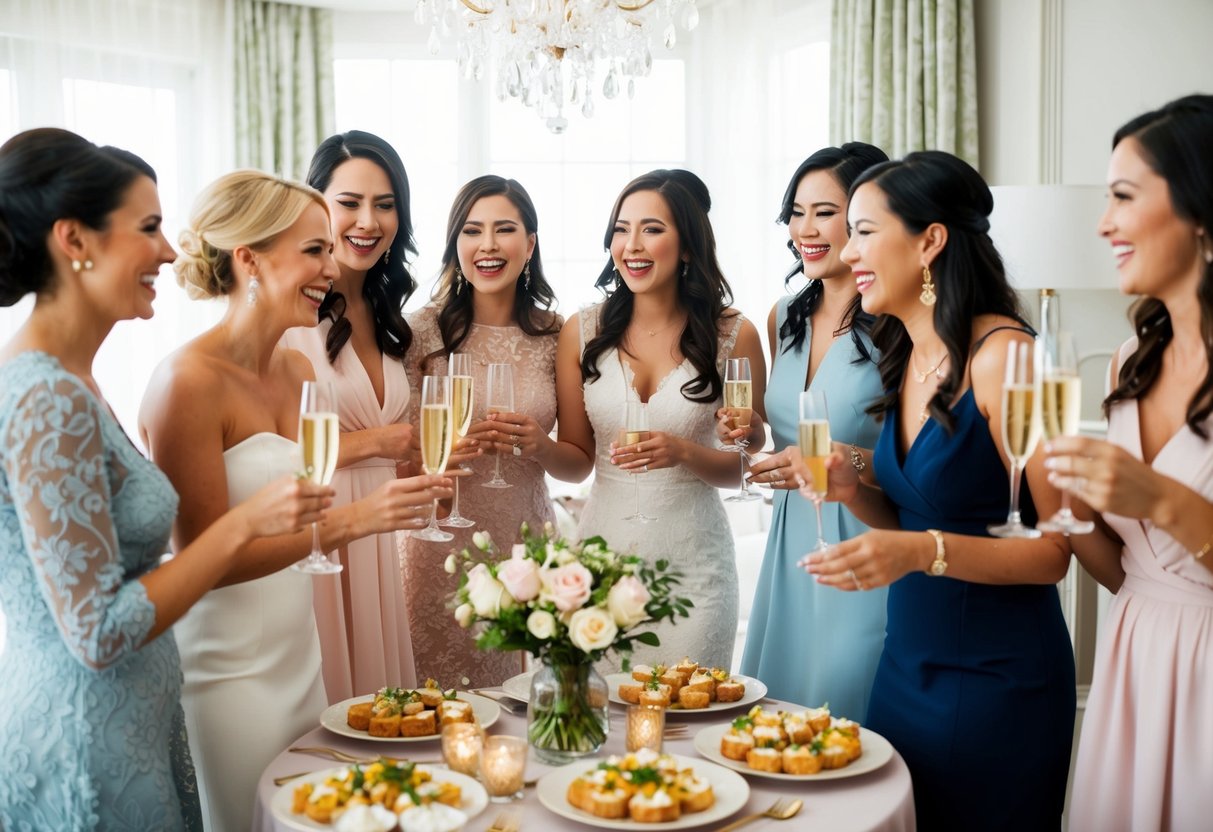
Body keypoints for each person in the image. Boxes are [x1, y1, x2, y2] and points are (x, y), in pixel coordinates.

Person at [0, 129, 331, 831]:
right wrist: (244, 521)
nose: (174, 251)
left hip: (136, 726)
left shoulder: (74, 381)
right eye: (148, 228)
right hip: (88, 744)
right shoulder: (45, 398)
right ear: (75, 241)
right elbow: (96, 631)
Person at [140, 170, 451, 832]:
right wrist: (359, 520)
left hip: (298, 654)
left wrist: (412, 475)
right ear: (248, 258)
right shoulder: (186, 383)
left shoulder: (297, 369)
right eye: (315, 250)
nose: (333, 269)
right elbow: (202, 558)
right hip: (229, 676)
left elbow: (310, 482)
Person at [796, 150, 1076, 830]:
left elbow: (1055, 552)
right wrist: (849, 489)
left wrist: (921, 552)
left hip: (999, 681)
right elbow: (908, 512)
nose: (844, 247)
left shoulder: (1013, 359)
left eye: (864, 230)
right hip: (906, 666)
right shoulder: (908, 351)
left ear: (929, 241)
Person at [1044, 95, 1213, 831]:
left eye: (1121, 196)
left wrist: (1159, 497)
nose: (1103, 223)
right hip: (1130, 659)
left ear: (1201, 209)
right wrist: (1071, 512)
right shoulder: (1125, 364)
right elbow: (1127, 571)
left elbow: (1164, 519)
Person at [544, 169, 767, 671]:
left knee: (688, 725)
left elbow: (743, 468)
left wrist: (687, 450)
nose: (632, 245)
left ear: (687, 246)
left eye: (651, 229)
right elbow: (576, 460)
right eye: (621, 229)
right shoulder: (581, 331)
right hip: (601, 566)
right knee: (600, 728)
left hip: (696, 572)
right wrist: (535, 445)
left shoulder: (735, 334)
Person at [740, 143, 888, 718]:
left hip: (861, 538)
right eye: (797, 212)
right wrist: (752, 432)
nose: (806, 228)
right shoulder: (785, 315)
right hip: (791, 541)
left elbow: (914, 457)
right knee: (777, 723)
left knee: (846, 715)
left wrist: (841, 460)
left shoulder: (897, 324)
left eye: (824, 212)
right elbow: (782, 438)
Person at [402, 174, 561, 686]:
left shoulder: (559, 334)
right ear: (456, 246)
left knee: (517, 707)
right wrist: (434, 462)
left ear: (530, 242)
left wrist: (540, 446)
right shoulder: (419, 331)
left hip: (524, 544)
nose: (487, 245)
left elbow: (580, 461)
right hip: (435, 541)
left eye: (504, 229)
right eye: (471, 231)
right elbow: (397, 457)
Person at [282, 130, 421, 701]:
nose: (368, 221)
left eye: (385, 205)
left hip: (376, 540)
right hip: (315, 531)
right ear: (317, 206)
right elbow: (264, 451)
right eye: (350, 203)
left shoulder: (387, 310)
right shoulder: (288, 305)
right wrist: (384, 443)